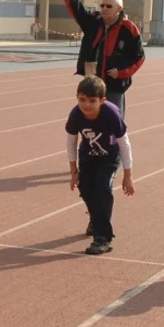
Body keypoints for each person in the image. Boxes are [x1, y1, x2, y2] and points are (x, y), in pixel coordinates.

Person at [61, 0, 145, 119]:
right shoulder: (93, 21)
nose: (104, 8)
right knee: (90, 119)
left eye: (109, 6)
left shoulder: (129, 29)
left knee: (113, 120)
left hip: (114, 85)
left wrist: (121, 72)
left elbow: (139, 57)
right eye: (102, 5)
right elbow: (77, 9)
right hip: (92, 83)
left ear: (119, 9)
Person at [65, 75, 134, 255]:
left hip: (109, 157)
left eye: (92, 101)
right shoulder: (76, 114)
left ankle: (102, 237)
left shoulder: (111, 113)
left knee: (102, 188)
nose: (86, 105)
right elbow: (71, 141)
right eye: (82, 100)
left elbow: (124, 144)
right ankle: (96, 219)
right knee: (86, 188)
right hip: (87, 157)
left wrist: (127, 176)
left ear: (102, 100)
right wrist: (74, 171)